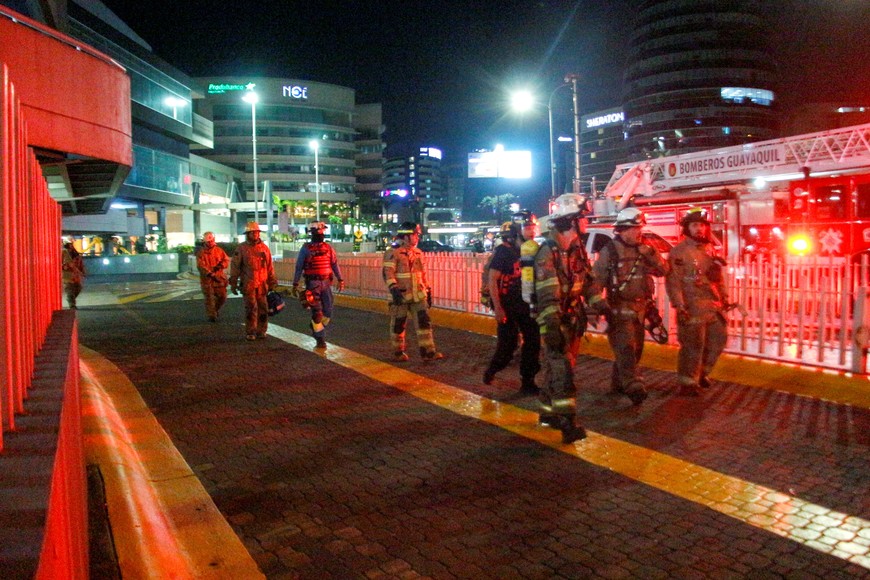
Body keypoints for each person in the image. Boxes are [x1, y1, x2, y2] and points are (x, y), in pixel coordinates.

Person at [589, 208, 668, 406]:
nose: (638, 233)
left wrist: (650, 253)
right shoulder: (610, 251)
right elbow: (595, 281)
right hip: (618, 311)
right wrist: (596, 306)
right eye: (634, 229)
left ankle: (617, 385)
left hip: (641, 311)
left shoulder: (644, 250)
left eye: (639, 228)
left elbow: (664, 270)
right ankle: (634, 386)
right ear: (622, 230)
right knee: (626, 349)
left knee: (636, 351)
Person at [533, 193, 594, 444]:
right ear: (570, 221)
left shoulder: (576, 249)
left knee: (556, 366)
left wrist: (598, 304)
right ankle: (567, 422)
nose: (587, 224)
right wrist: (552, 325)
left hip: (572, 317)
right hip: (554, 320)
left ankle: (547, 412)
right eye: (584, 219)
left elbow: (586, 280)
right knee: (563, 370)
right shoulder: (547, 252)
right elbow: (547, 294)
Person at [666, 208, 730, 396]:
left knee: (718, 340)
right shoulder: (679, 252)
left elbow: (718, 279)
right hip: (691, 307)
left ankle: (702, 373)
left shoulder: (709, 249)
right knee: (693, 346)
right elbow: (674, 282)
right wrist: (679, 305)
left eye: (702, 225)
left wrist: (724, 297)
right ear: (687, 228)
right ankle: (687, 382)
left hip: (712, 307)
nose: (700, 229)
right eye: (695, 225)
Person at [482, 212, 541, 394]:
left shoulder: (533, 250)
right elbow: (492, 280)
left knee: (533, 340)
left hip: (526, 304)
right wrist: (498, 308)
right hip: (507, 305)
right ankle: (492, 370)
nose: (531, 232)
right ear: (517, 230)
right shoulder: (504, 251)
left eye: (533, 228)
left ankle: (528, 380)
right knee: (507, 346)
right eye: (527, 228)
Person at [382, 221, 443, 362]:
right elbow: (387, 272)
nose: (417, 238)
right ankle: (398, 352)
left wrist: (428, 290)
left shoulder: (418, 253)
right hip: (400, 296)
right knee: (399, 324)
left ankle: (428, 351)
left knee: (424, 323)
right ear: (406, 236)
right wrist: (394, 289)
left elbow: (422, 274)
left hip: (418, 295)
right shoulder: (393, 252)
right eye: (415, 235)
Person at [292, 221, 345, 350]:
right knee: (317, 312)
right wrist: (295, 283)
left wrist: (341, 279)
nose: (321, 234)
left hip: (326, 283)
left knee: (328, 311)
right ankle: (320, 338)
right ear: (313, 233)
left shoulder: (328, 248)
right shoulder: (306, 248)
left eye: (322, 231)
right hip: (313, 284)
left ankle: (316, 326)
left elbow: (334, 264)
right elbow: (299, 266)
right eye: (318, 232)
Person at [230, 222, 278, 341]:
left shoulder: (264, 248)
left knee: (263, 308)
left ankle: (262, 331)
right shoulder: (241, 248)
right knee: (251, 308)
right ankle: (251, 331)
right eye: (253, 232)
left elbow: (269, 267)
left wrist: (272, 282)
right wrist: (233, 283)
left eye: (257, 232)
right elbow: (235, 267)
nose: (255, 234)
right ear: (248, 234)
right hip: (248, 284)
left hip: (262, 284)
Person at [195, 231, 229, 322]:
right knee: (209, 299)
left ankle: (215, 310)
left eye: (211, 241)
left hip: (219, 279)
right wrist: (209, 273)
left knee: (223, 297)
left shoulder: (219, 251)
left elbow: (226, 260)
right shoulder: (201, 253)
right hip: (207, 280)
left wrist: (221, 265)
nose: (210, 243)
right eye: (208, 241)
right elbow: (200, 266)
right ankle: (212, 315)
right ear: (204, 242)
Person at [62, 240, 86, 309]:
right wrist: (64, 267)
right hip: (67, 274)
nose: (70, 247)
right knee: (70, 290)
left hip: (76, 275)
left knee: (78, 288)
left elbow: (81, 264)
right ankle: (72, 304)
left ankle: (71, 300)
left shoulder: (76, 255)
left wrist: (83, 272)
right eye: (69, 245)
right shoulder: (63, 253)